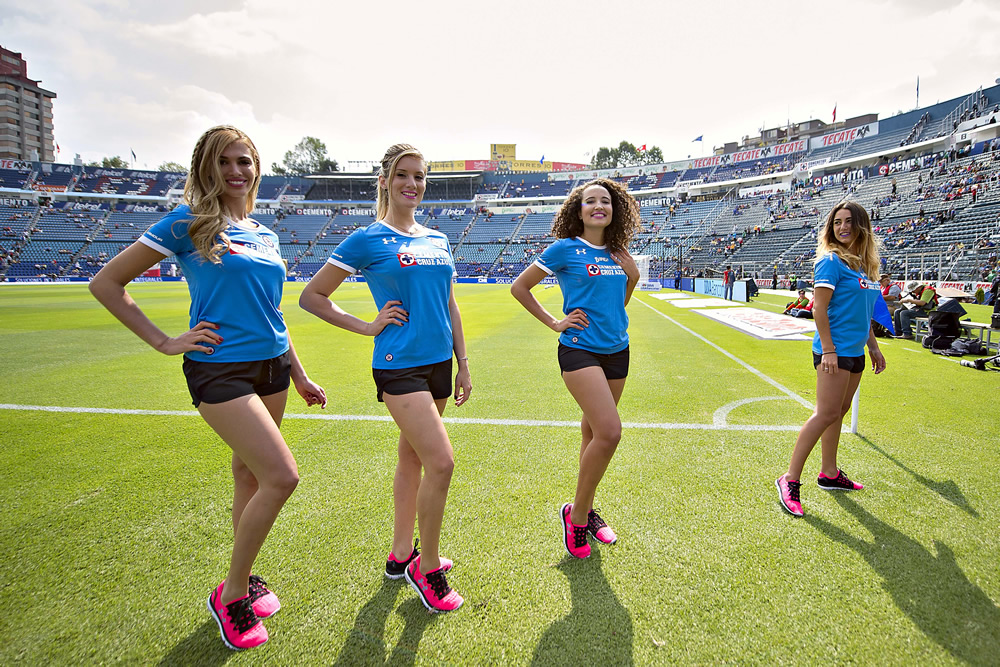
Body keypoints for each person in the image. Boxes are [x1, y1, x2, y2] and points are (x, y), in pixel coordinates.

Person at [89, 125, 327, 650]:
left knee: (250, 474)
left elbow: (272, 313)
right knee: (282, 477)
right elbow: (106, 282)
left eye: (244, 161)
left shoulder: (265, 234)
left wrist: (299, 373)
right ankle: (230, 594)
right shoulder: (187, 223)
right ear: (206, 167)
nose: (236, 171)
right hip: (220, 370)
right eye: (224, 161)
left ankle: (245, 578)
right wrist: (163, 341)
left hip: (272, 367)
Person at [299, 144, 470, 612]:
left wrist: (463, 362)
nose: (412, 184)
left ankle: (400, 555)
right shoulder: (367, 239)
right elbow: (313, 296)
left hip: (439, 363)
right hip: (399, 363)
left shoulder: (438, 239)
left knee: (412, 457)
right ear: (385, 181)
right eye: (402, 175)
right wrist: (368, 326)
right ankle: (427, 568)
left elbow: (450, 304)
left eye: (419, 176)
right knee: (441, 463)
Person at [510, 178, 640, 558]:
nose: (599, 206)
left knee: (592, 431)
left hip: (617, 350)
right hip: (579, 350)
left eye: (606, 201)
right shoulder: (565, 249)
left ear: (615, 210)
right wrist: (555, 322)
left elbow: (618, 304)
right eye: (590, 201)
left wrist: (632, 277)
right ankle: (577, 516)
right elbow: (520, 288)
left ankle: (585, 506)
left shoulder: (618, 253)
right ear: (578, 211)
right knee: (610, 432)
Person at [776, 201, 886, 517]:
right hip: (833, 352)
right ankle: (789, 479)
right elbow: (819, 309)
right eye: (837, 222)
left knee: (840, 411)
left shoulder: (864, 267)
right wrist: (828, 350)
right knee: (825, 414)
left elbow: (863, 313)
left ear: (861, 225)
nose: (842, 227)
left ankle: (829, 473)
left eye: (849, 221)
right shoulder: (830, 262)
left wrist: (873, 347)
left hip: (854, 351)